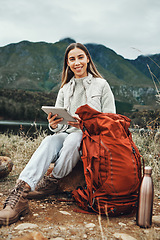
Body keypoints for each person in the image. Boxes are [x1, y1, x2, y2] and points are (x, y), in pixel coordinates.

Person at [0, 42, 116, 226]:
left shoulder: (101, 85)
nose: (77, 62)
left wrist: (85, 124)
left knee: (74, 139)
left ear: (87, 59)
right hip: (68, 133)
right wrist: (54, 124)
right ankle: (20, 194)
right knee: (49, 140)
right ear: (67, 63)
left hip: (89, 137)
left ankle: (54, 180)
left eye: (80, 57)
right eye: (72, 59)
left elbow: (111, 121)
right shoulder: (64, 88)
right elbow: (60, 125)